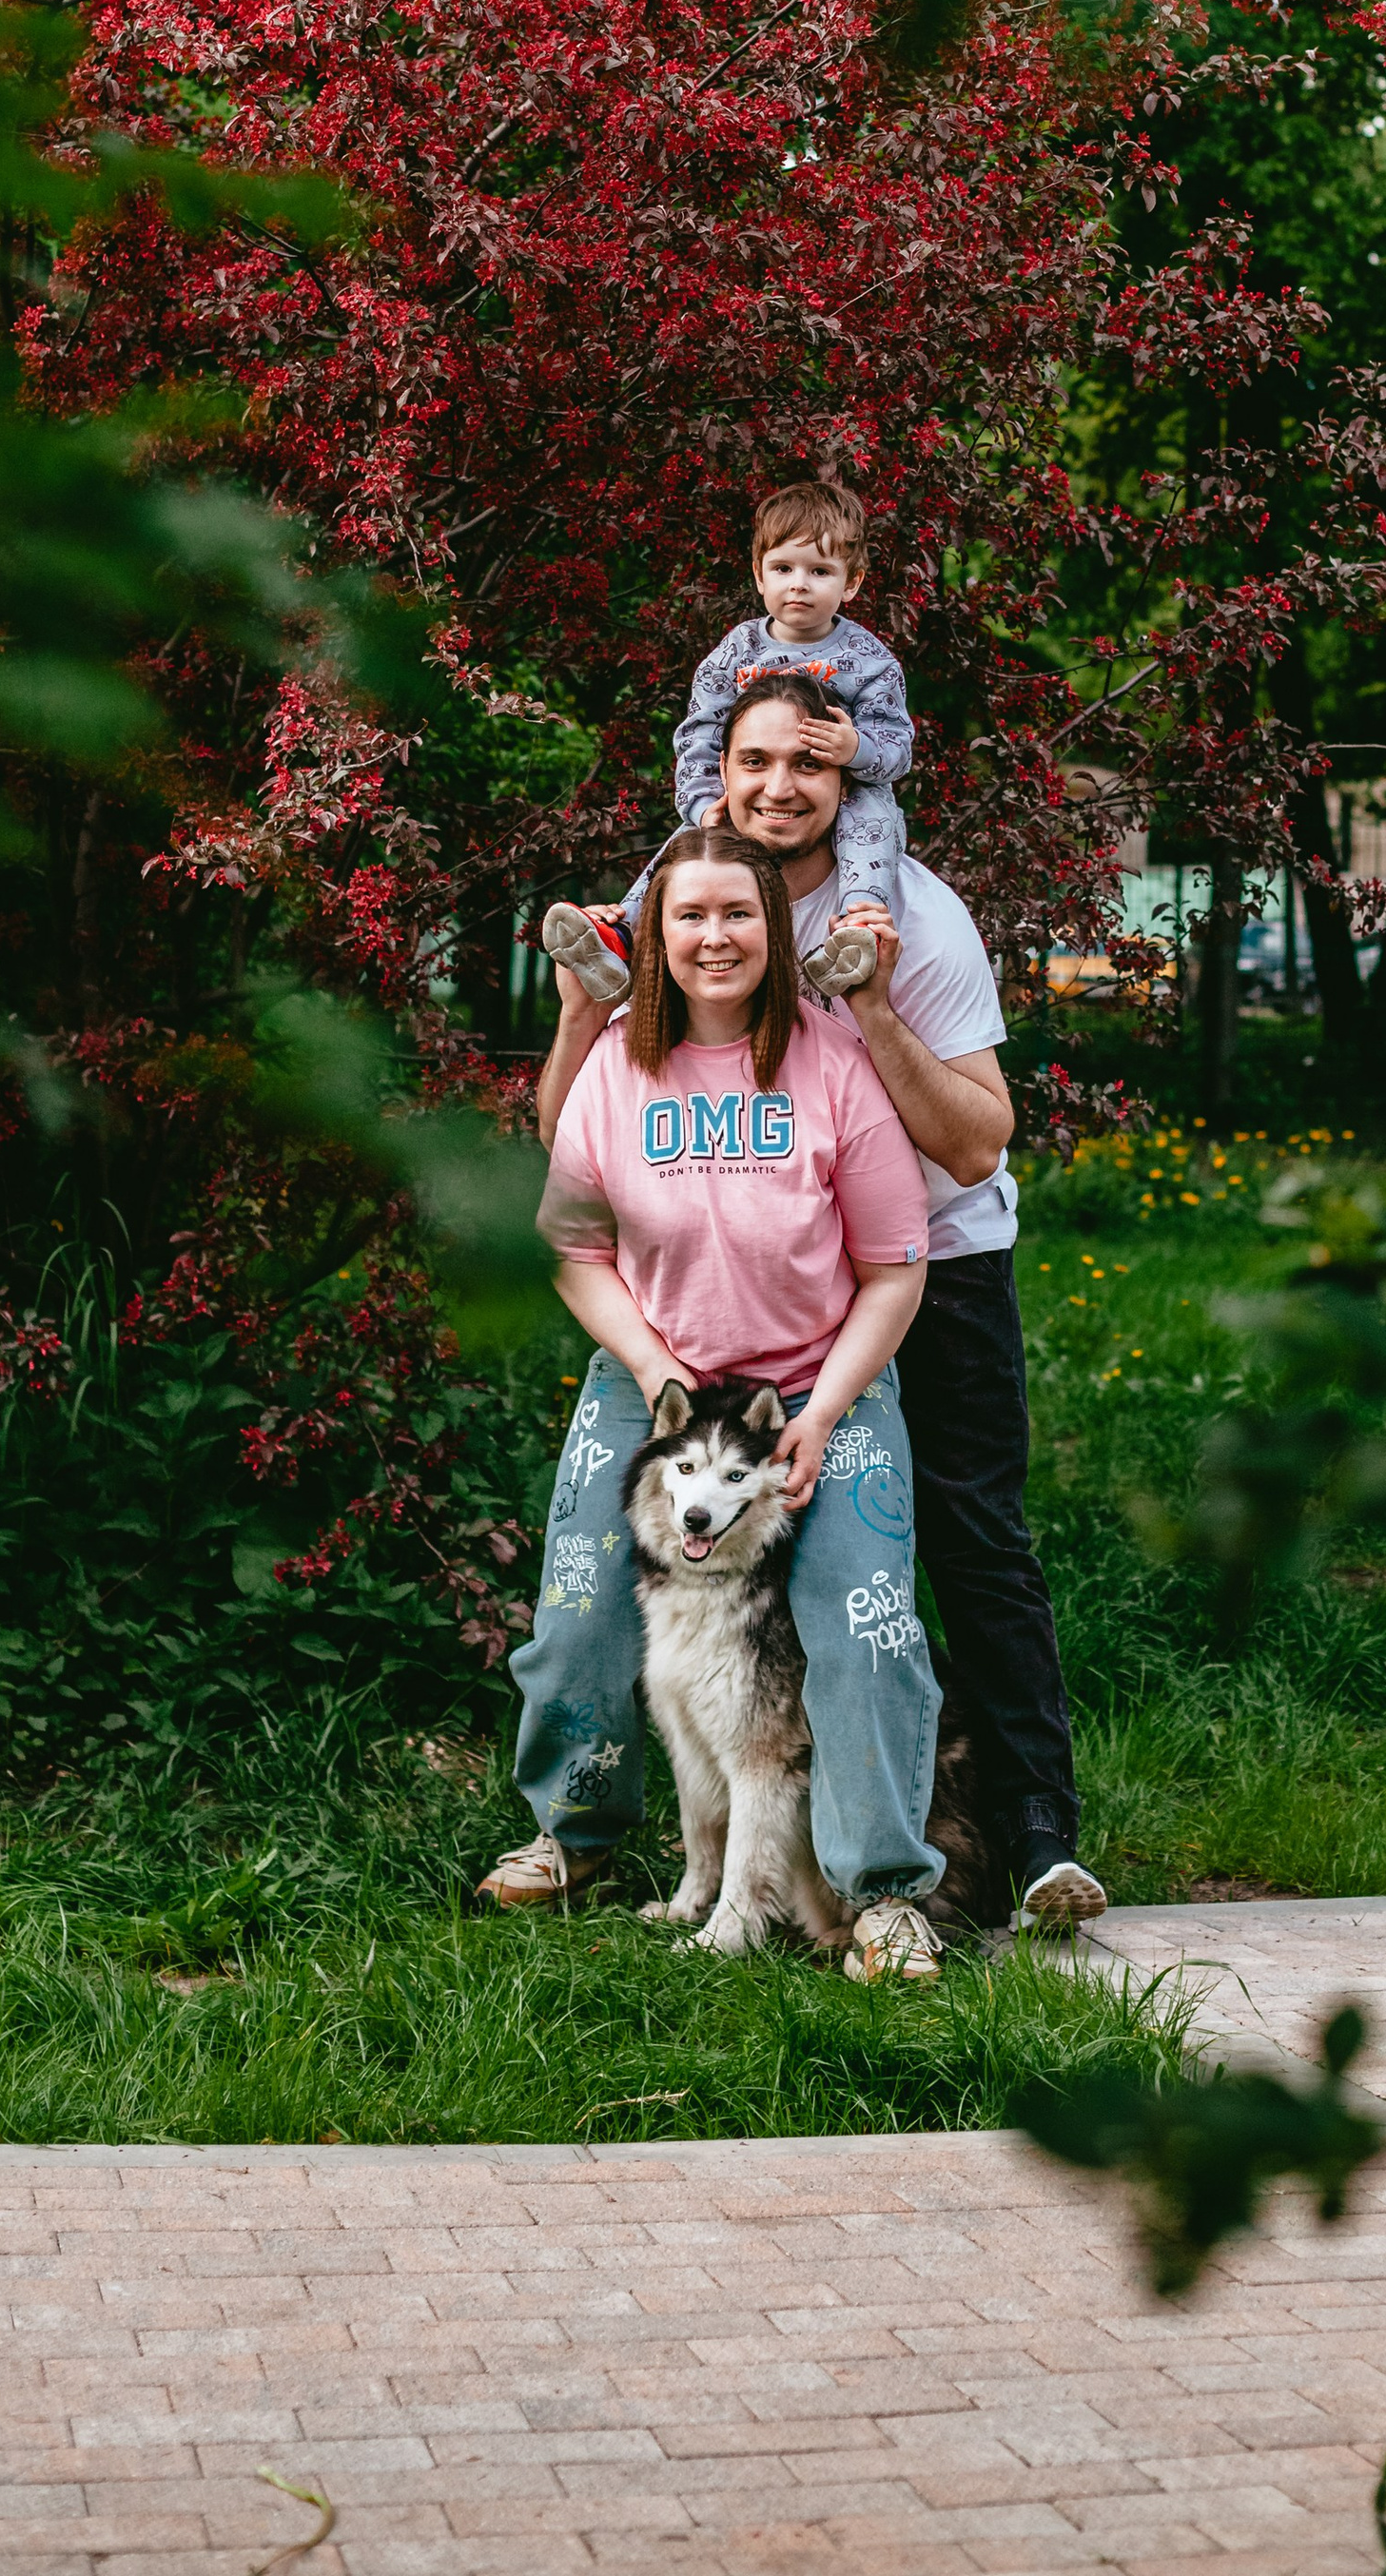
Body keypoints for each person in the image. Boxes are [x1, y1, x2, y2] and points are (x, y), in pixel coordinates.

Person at [538, 674, 1108, 1934]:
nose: (780, 784)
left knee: (940, 1558)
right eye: (755, 760)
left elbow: (975, 1147)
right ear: (717, 774)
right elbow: (580, 1152)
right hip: (688, 1320)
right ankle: (587, 1837)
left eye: (809, 762)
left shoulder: (913, 920)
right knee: (595, 1585)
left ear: (852, 777)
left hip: (914, 1268)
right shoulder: (679, 888)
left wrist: (870, 1013)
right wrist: (585, 1015)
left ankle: (1014, 1840)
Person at [478, 820, 956, 1982]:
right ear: (656, 938)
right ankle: (574, 1834)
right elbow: (572, 1249)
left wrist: (824, 1411)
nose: (713, 936)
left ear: (775, 932)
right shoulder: (615, 1071)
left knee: (864, 1624)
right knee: (579, 1615)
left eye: (737, 913)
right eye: (688, 915)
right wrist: (653, 1370)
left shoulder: (833, 1064)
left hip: (816, 1378)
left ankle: (882, 1893)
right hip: (655, 1378)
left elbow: (896, 1268)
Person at [541, 479, 910, 1005]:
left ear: (851, 582)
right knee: (689, 845)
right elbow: (699, 734)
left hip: (847, 789)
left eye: (819, 572)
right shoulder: (737, 650)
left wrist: (856, 749)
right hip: (751, 788)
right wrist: (701, 805)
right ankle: (620, 935)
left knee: (872, 826)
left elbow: (897, 747)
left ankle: (857, 932)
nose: (799, 585)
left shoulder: (871, 661)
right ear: (759, 575)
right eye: (783, 569)